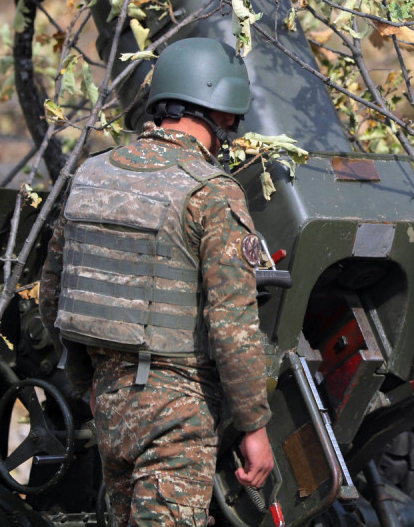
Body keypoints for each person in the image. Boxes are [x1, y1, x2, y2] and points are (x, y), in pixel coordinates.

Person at [40, 37, 274, 526]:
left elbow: (54, 295)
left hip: (110, 403)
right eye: (232, 117)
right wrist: (254, 426)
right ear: (221, 114)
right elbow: (232, 325)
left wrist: (90, 383)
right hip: (178, 412)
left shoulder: (91, 175)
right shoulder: (212, 193)